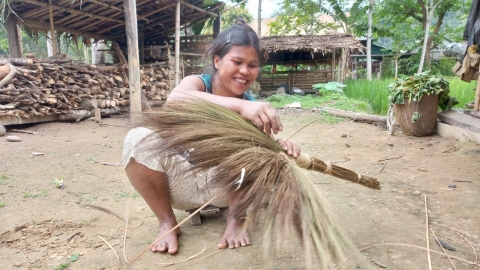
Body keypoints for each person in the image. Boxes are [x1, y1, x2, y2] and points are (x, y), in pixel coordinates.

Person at [122, 19, 301, 255]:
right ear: (217, 60)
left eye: (252, 65)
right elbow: (175, 100)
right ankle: (167, 223)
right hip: (180, 185)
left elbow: (260, 154)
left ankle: (236, 220)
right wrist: (239, 106)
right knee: (137, 139)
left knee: (255, 152)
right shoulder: (198, 84)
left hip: (225, 190)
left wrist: (279, 148)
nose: (245, 71)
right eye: (236, 61)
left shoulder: (254, 109)